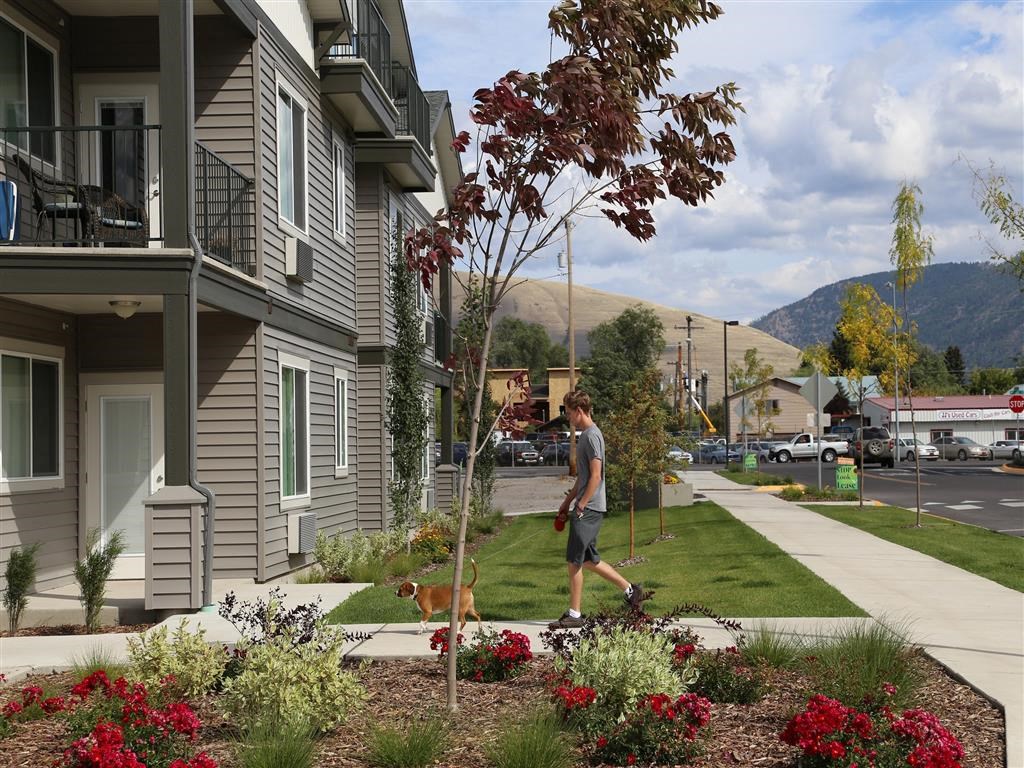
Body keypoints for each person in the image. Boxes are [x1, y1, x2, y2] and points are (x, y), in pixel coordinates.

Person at [548, 389, 643, 629]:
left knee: (574, 560)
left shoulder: (592, 436)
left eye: (569, 413)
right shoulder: (586, 435)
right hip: (584, 505)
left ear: (579, 411)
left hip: (589, 509)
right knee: (588, 559)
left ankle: (575, 614)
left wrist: (580, 504)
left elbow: (596, 476)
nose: (568, 418)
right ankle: (631, 590)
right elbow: (583, 477)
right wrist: (567, 501)